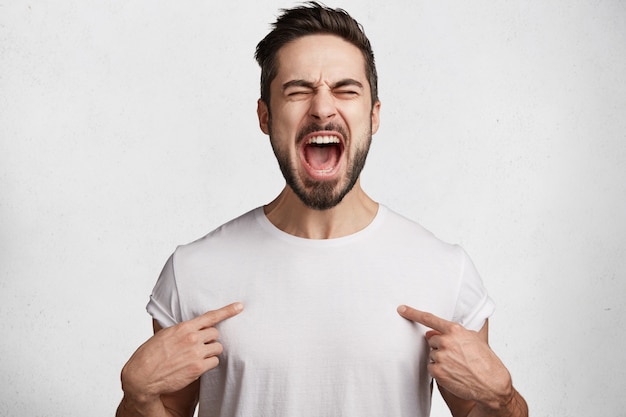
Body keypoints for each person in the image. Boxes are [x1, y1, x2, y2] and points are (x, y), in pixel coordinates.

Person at [116, 3, 528, 417]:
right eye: (297, 90)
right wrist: (138, 399)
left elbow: (489, 409)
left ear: (374, 115)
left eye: (346, 89)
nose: (322, 108)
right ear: (265, 115)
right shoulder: (194, 272)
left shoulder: (444, 271)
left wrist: (505, 400)